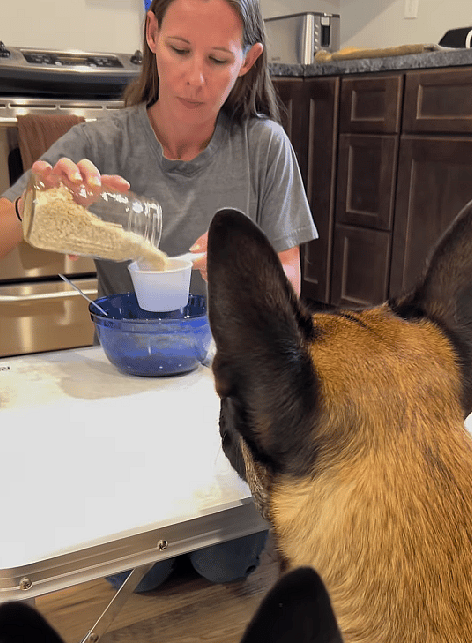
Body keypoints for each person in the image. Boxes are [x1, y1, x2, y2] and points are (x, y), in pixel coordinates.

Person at [0, 0, 317, 591]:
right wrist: (35, 205)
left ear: (247, 62)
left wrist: (239, 268)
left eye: (218, 59)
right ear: (151, 35)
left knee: (221, 564)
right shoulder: (101, 142)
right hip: (124, 391)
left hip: (221, 391)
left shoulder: (264, 147)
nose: (194, 78)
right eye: (178, 50)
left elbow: (290, 287)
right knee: (136, 577)